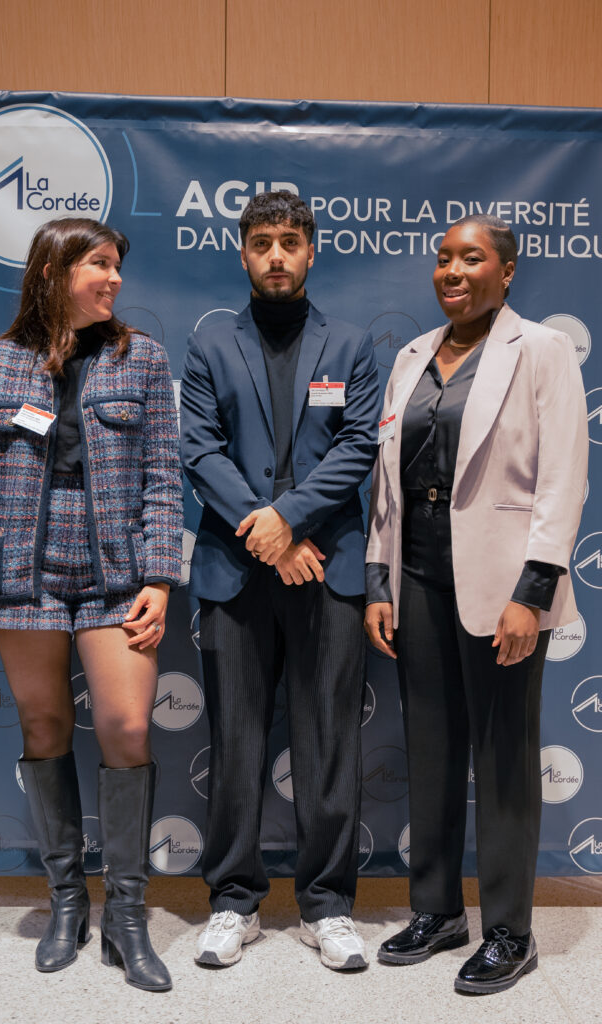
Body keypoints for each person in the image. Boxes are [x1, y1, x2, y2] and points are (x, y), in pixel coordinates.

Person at [0, 217, 183, 992]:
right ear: (53, 272)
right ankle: (65, 904)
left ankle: (127, 914)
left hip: (116, 570)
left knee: (126, 725)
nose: (113, 278)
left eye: (117, 265)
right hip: (21, 570)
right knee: (44, 723)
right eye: (98, 265)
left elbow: (161, 476)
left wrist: (157, 576)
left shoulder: (140, 356)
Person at [365, 214, 588, 994]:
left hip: (501, 589)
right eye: (442, 259)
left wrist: (534, 592)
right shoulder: (411, 355)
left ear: (506, 271)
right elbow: (386, 484)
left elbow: (563, 477)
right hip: (418, 578)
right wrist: (378, 579)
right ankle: (436, 909)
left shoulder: (543, 350)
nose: (452, 271)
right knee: (429, 751)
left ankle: (508, 931)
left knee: (500, 761)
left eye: (471, 258)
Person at [180, 191, 380, 970]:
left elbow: (358, 446)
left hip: (326, 566)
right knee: (233, 742)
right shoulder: (209, 346)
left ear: (309, 251)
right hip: (237, 569)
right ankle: (234, 902)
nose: (275, 255)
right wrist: (270, 538)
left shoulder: (354, 344)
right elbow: (200, 451)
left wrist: (287, 521)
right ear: (241, 252)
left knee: (328, 742)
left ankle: (325, 907)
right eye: (261, 241)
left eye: (289, 241)